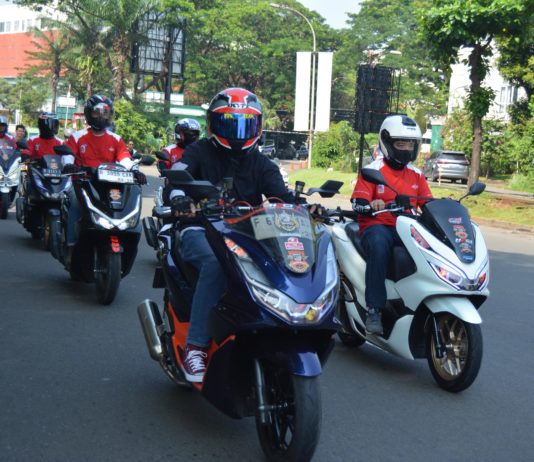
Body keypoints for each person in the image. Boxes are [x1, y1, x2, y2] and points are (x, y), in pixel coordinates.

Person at [169, 87, 292, 382]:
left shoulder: (261, 163)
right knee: (216, 263)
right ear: (214, 124)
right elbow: (175, 179)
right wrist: (180, 199)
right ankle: (196, 346)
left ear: (257, 126)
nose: (237, 132)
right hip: (200, 228)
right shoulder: (198, 151)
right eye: (229, 123)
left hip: (246, 233)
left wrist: (306, 207)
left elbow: (282, 196)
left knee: (284, 258)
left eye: (245, 124)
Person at [351, 114, 432, 335]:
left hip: (406, 229)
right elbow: (358, 202)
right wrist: (371, 204)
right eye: (400, 144)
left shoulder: (416, 175)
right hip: (377, 226)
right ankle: (374, 310)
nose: (406, 149)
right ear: (387, 143)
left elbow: (428, 205)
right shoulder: (373, 170)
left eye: (410, 144)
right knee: (379, 245)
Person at [62, 94, 146, 256]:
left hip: (110, 184)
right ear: (89, 114)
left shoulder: (116, 139)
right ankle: (71, 245)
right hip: (83, 183)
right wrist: (69, 165)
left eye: (105, 113)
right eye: (97, 112)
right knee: (75, 203)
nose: (101, 116)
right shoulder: (77, 137)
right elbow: (68, 156)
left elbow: (125, 159)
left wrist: (135, 171)